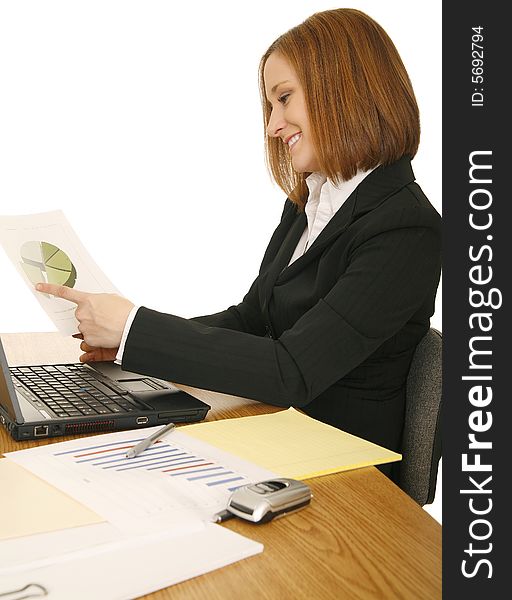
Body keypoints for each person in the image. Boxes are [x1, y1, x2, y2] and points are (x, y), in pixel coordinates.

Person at [36, 8, 441, 482]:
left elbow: (293, 369)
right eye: (271, 106)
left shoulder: (406, 228)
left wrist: (133, 328)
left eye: (284, 99)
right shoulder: (313, 201)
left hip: (347, 476)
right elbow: (254, 321)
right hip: (284, 434)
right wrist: (128, 345)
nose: (273, 125)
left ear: (344, 90)